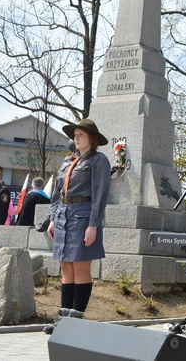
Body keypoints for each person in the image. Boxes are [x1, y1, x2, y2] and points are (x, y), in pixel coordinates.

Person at [44, 118, 111, 335]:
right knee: (65, 266)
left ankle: (77, 319)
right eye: (75, 135)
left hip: (83, 217)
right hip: (63, 216)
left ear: (91, 138)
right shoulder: (68, 160)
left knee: (81, 266)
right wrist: (53, 218)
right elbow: (56, 193)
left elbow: (99, 196)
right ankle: (64, 320)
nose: (76, 138)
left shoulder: (98, 161)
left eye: (80, 135)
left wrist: (93, 225)